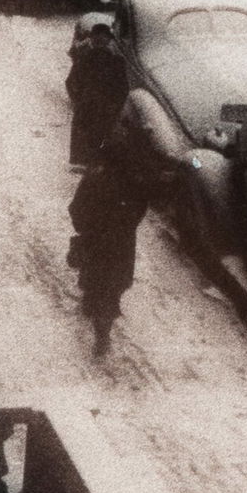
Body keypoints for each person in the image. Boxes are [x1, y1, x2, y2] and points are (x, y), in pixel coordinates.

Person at [67, 139, 151, 352]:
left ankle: (92, 306)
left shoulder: (95, 179)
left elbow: (77, 207)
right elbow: (141, 208)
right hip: (122, 245)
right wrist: (127, 226)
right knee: (113, 288)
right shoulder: (136, 183)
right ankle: (103, 330)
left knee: (95, 281)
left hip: (95, 239)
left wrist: (85, 227)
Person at [65, 17, 130, 168]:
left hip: (100, 104)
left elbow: (122, 86)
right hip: (94, 104)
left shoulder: (115, 61)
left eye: (102, 39)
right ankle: (85, 162)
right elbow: (72, 81)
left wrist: (115, 104)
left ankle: (88, 162)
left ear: (107, 41)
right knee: (91, 131)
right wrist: (79, 98)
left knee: (95, 132)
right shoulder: (90, 58)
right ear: (93, 40)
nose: (99, 42)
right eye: (97, 39)